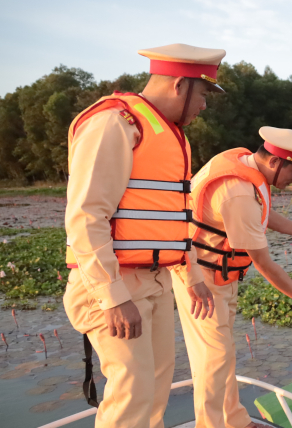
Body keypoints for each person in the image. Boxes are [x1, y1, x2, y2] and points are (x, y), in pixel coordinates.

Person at [63, 43, 223, 428]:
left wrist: (192, 277)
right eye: (203, 94)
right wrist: (113, 296)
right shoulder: (114, 124)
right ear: (180, 85)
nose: (204, 106)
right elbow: (86, 215)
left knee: (155, 388)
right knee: (132, 392)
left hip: (155, 281)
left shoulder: (169, 135)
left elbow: (170, 221)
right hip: (114, 283)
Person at [171, 126, 292, 428]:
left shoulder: (246, 166)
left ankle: (234, 420)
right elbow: (264, 263)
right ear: (275, 161)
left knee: (223, 354)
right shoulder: (237, 192)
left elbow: (261, 214)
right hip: (201, 279)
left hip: (222, 276)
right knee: (213, 358)